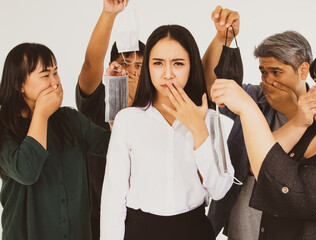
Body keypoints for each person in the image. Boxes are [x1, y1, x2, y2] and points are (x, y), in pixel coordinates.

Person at [210, 44, 316, 239]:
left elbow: (285, 188)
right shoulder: (312, 130)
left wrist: (248, 109)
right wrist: (299, 121)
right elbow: (257, 166)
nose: (315, 90)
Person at [100, 24, 234, 240]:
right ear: (148, 68)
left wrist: (198, 130)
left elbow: (219, 190)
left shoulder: (209, 118)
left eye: (178, 63)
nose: (168, 74)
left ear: (192, 66)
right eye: (158, 63)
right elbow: (113, 198)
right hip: (140, 231)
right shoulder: (127, 119)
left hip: (194, 230)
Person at [203, 6, 313, 239]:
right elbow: (209, 86)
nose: (268, 81)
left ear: (303, 70)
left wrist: (294, 111)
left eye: (276, 72)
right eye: (263, 72)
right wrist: (222, 38)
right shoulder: (252, 98)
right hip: (242, 227)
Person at [0, 43, 110, 240]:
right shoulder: (4, 127)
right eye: (45, 75)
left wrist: (117, 92)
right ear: (19, 85)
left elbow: (115, 147)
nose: (55, 82)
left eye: (56, 72)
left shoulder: (71, 119)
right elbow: (26, 171)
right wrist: (41, 114)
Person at [75, 1, 144, 238]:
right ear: (114, 66)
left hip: (145, 219)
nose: (133, 71)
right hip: (97, 220)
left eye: (140, 66)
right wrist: (108, 14)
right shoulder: (97, 102)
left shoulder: (157, 110)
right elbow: (91, 64)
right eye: (126, 63)